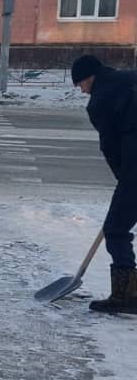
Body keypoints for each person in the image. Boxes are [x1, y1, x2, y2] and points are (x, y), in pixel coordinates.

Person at [71, 54, 137, 313]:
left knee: (115, 230)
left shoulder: (99, 102)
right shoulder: (130, 77)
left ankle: (126, 296)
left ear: (90, 77)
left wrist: (125, 181)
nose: (81, 90)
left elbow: (110, 147)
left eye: (80, 85)